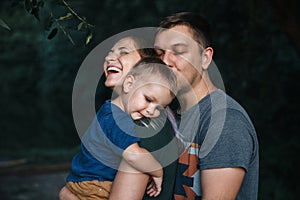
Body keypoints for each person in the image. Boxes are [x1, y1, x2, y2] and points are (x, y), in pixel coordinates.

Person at [109, 12, 259, 200]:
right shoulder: (156, 113)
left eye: (178, 51)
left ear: (205, 58)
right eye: (159, 54)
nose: (165, 62)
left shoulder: (226, 122)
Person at [59, 37, 178, 200]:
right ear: (130, 83)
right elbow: (133, 155)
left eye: (124, 52)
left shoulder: (143, 126)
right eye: (110, 53)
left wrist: (67, 195)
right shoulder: (120, 117)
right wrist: (157, 171)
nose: (109, 58)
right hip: (93, 186)